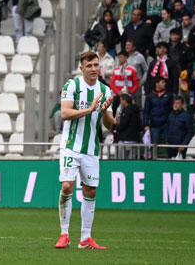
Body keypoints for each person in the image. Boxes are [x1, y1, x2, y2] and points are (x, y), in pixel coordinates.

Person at [55, 51, 114, 250]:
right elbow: (65, 113)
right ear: (82, 68)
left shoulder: (105, 91)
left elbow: (110, 125)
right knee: (67, 187)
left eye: (96, 65)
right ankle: (64, 234)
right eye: (89, 66)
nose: (93, 69)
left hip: (90, 149)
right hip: (70, 146)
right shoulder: (72, 85)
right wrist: (90, 109)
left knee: (90, 190)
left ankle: (85, 238)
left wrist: (104, 110)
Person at [143, 77, 173, 147]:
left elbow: (172, 110)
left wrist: (170, 121)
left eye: (164, 82)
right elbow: (146, 111)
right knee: (154, 145)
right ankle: (153, 158)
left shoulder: (169, 95)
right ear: (157, 83)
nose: (164, 84)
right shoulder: (150, 96)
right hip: (155, 124)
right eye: (162, 82)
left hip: (166, 124)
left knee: (169, 144)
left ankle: (171, 157)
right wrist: (146, 124)